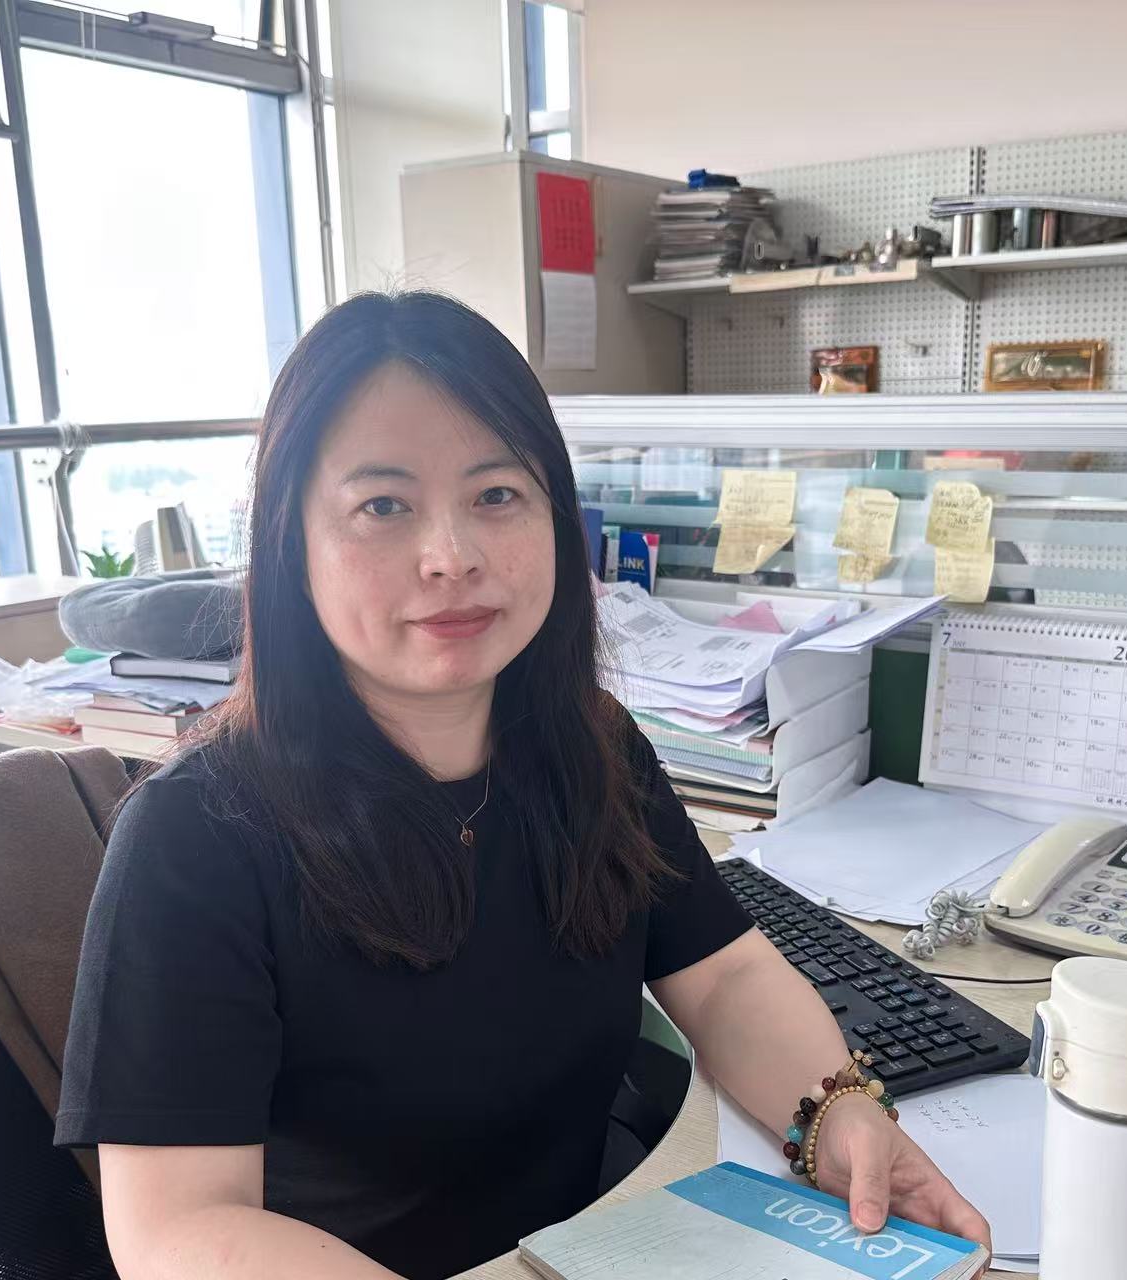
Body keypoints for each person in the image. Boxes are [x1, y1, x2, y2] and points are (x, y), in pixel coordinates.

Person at [55, 291, 990, 1280]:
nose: (451, 557)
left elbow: (724, 976)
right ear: (291, 544)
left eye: (496, 494)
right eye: (383, 506)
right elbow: (176, 1228)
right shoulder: (197, 835)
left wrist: (835, 1113)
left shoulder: (590, 748)